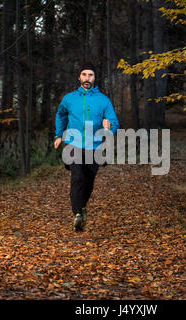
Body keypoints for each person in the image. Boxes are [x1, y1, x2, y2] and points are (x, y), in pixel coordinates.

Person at [54, 62, 119, 232]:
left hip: (94, 146)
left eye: (90, 75)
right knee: (77, 178)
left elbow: (114, 122)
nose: (87, 78)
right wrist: (58, 134)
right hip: (73, 144)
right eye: (84, 75)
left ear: (94, 78)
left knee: (88, 182)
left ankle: (82, 208)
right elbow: (60, 115)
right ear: (79, 77)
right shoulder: (69, 99)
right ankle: (77, 214)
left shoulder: (103, 100)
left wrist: (109, 126)